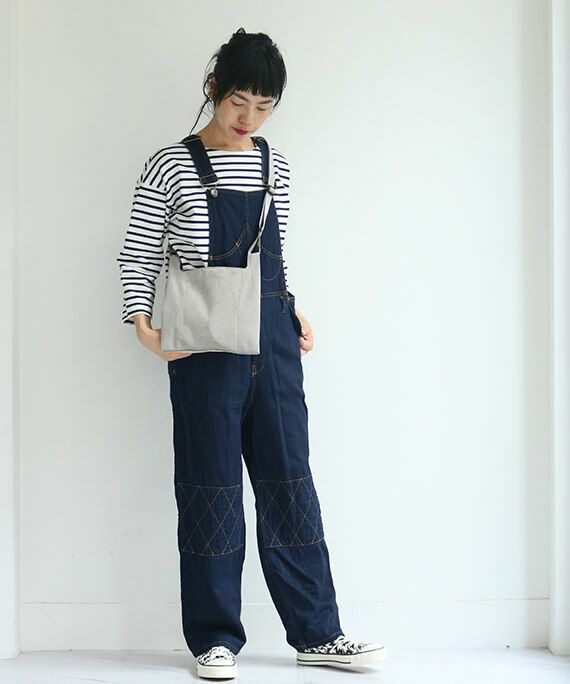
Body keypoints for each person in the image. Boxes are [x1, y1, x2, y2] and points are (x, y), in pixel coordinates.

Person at [117, 28, 387, 680]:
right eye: (240, 101)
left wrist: (292, 308)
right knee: (210, 488)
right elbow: (139, 254)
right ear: (214, 89)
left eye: (264, 107)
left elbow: (275, 256)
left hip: (273, 342)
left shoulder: (276, 165)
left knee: (290, 482)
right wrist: (144, 328)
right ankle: (215, 639)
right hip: (202, 348)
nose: (250, 119)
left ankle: (319, 633)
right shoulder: (170, 164)